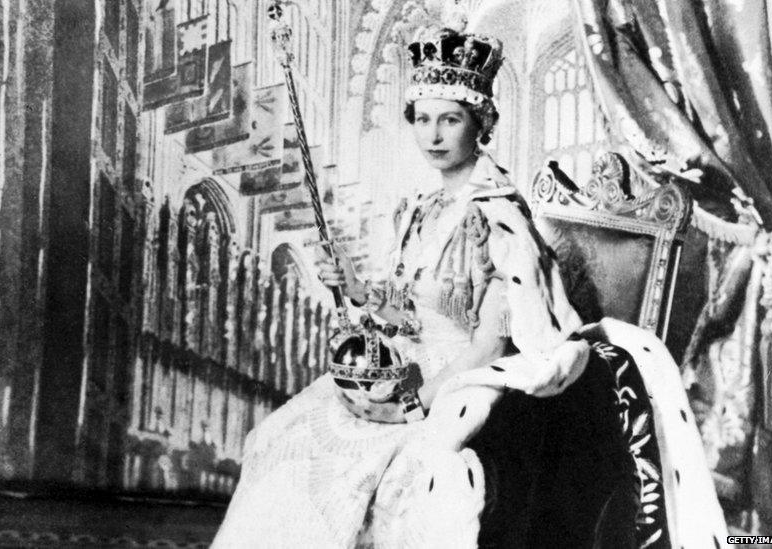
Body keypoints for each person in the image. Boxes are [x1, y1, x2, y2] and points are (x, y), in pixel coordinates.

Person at [214, 28, 653, 548]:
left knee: (379, 480)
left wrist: (410, 405)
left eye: (450, 119)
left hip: (459, 384)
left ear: (480, 124)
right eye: (423, 119)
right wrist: (358, 289)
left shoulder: (501, 222)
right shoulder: (419, 210)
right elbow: (408, 311)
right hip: (402, 366)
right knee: (279, 441)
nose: (434, 135)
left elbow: (487, 346)